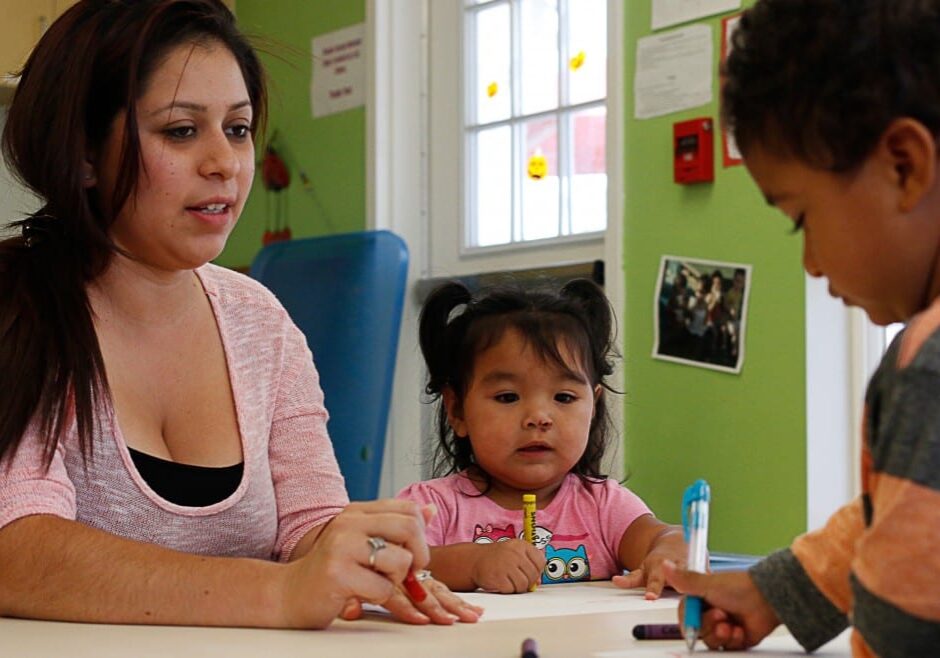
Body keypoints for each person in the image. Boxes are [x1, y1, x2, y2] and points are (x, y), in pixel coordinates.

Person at [0, 0, 481, 629]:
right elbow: (17, 548)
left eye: (238, 128)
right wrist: (278, 593)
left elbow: (308, 526)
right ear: (85, 152)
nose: (224, 164)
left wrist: (360, 555)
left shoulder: (260, 320)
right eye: (180, 130)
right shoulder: (17, 306)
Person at [662, 1, 940, 655]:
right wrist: (777, 591)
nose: (811, 263)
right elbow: (901, 521)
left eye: (801, 217)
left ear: (904, 165)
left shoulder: (928, 367)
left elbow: (909, 630)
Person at [397, 279, 686, 594]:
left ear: (593, 407)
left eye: (563, 397)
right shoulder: (430, 506)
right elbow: (394, 565)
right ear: (457, 411)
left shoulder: (605, 506)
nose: (538, 418)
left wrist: (671, 549)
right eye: (508, 397)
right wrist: (474, 563)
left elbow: (662, 537)